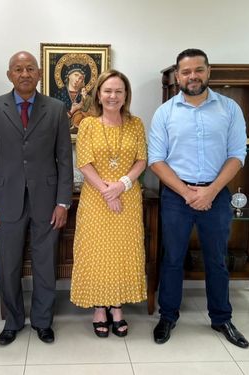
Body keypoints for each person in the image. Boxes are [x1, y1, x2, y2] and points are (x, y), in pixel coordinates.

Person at [148, 48, 249, 348]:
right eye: (186, 71)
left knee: (217, 260)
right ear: (177, 76)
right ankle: (168, 316)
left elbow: (237, 155)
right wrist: (187, 193)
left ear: (208, 71)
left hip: (215, 195)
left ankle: (221, 318)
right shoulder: (165, 112)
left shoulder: (229, 109)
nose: (192, 76)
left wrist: (210, 191)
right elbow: (156, 160)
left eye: (198, 70)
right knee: (172, 259)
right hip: (176, 196)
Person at [0, 51, 73, 345]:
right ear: (9, 75)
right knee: (8, 264)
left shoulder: (56, 108)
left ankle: (43, 321)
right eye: (18, 69)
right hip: (5, 198)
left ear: (40, 73)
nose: (25, 73)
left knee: (45, 263)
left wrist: (63, 202)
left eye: (30, 68)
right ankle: (13, 320)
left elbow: (64, 160)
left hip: (47, 199)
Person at [70, 69, 147, 338]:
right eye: (108, 91)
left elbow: (141, 160)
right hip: (95, 199)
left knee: (123, 253)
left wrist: (121, 185)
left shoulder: (135, 123)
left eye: (119, 91)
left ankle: (117, 307)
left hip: (127, 196)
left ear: (126, 95)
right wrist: (107, 191)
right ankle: (99, 307)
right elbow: (84, 162)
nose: (113, 96)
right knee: (96, 252)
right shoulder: (89, 124)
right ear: (99, 95)